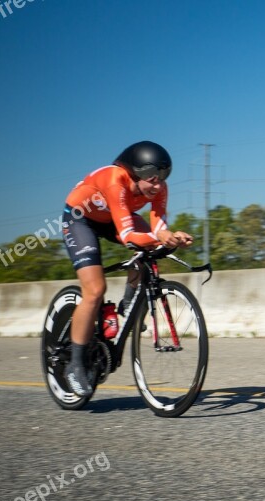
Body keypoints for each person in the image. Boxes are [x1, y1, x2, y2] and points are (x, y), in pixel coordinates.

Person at [62, 141, 193, 396]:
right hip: (81, 219)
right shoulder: (115, 180)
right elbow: (128, 235)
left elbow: (158, 226)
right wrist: (161, 238)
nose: (159, 185)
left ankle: (129, 304)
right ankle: (75, 365)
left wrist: (170, 236)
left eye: (164, 178)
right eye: (153, 178)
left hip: (112, 217)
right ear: (135, 172)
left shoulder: (158, 188)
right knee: (95, 289)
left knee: (150, 252)